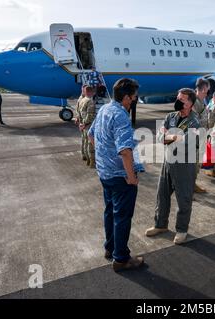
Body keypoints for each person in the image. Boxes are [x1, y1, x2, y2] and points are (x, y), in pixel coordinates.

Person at [88, 78, 145, 272]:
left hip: (104, 173)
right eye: (134, 97)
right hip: (120, 176)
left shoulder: (104, 109)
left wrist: (104, 156)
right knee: (122, 216)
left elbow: (91, 134)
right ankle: (121, 258)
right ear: (127, 97)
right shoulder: (120, 116)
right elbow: (126, 151)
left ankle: (110, 247)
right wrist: (131, 176)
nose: (135, 100)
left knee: (109, 211)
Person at [145, 88, 200, 245]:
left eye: (182, 99)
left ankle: (181, 230)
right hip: (168, 162)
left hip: (184, 165)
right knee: (161, 196)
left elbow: (188, 142)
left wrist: (171, 136)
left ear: (189, 103)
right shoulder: (170, 116)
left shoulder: (195, 121)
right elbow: (160, 137)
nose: (178, 101)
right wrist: (174, 136)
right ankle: (160, 225)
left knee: (184, 199)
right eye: (178, 98)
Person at [193, 78, 210, 194]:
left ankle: (192, 184)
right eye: (207, 90)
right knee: (192, 165)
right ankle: (189, 189)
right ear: (204, 89)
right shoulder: (195, 102)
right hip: (194, 140)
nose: (208, 92)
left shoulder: (201, 101)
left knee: (196, 164)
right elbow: (193, 123)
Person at [79, 86, 96, 168]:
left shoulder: (82, 100)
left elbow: (79, 112)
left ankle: (87, 159)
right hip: (89, 125)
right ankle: (92, 162)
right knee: (90, 144)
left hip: (83, 124)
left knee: (85, 142)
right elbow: (90, 115)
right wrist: (85, 124)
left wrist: (81, 123)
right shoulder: (90, 101)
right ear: (91, 92)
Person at [75, 85, 88, 161]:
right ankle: (85, 154)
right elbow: (79, 110)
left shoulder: (81, 98)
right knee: (86, 139)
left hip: (82, 121)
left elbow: (77, 110)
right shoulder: (83, 99)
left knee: (84, 139)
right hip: (84, 122)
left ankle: (83, 154)